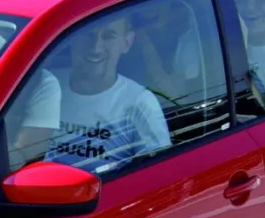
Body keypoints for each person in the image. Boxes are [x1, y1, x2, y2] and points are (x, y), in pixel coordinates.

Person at [29, 13, 170, 174]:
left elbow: (157, 175)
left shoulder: (139, 102)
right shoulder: (45, 84)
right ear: (71, 38)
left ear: (127, 42)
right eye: (87, 34)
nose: (95, 47)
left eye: (109, 36)